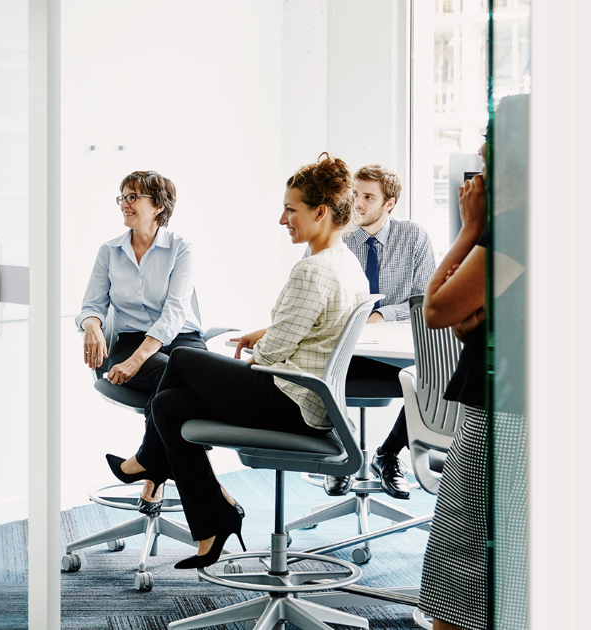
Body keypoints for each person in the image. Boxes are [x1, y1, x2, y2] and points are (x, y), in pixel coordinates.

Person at [113, 153, 371, 568]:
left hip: (288, 399)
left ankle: (148, 459)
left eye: (291, 209)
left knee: (181, 357)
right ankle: (214, 521)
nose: (282, 219)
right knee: (167, 405)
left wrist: (259, 345)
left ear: (320, 212)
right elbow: (314, 329)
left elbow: (269, 357)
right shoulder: (346, 263)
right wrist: (265, 333)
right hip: (311, 399)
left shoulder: (313, 270)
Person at [77, 171, 205, 514]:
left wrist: (136, 361)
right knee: (182, 386)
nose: (125, 203)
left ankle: (148, 466)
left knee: (172, 379)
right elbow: (91, 306)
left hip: (181, 340)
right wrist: (91, 326)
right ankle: (211, 488)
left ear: (158, 206)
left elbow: (175, 313)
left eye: (133, 197)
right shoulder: (110, 251)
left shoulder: (181, 248)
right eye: (122, 196)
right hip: (130, 340)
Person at [310, 164, 435, 499]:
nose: (357, 203)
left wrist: (379, 314)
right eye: (354, 194)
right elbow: (313, 296)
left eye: (368, 196)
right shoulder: (334, 234)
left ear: (389, 204)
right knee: (316, 370)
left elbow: (424, 300)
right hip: (342, 351)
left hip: (394, 354)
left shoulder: (414, 236)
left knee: (435, 376)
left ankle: (388, 454)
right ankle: (340, 453)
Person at [417, 162, 489, 630]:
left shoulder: (510, 234)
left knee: (461, 546)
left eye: (485, 164)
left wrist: (471, 230)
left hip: (496, 407)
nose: (475, 179)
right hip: (501, 395)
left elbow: (437, 309)